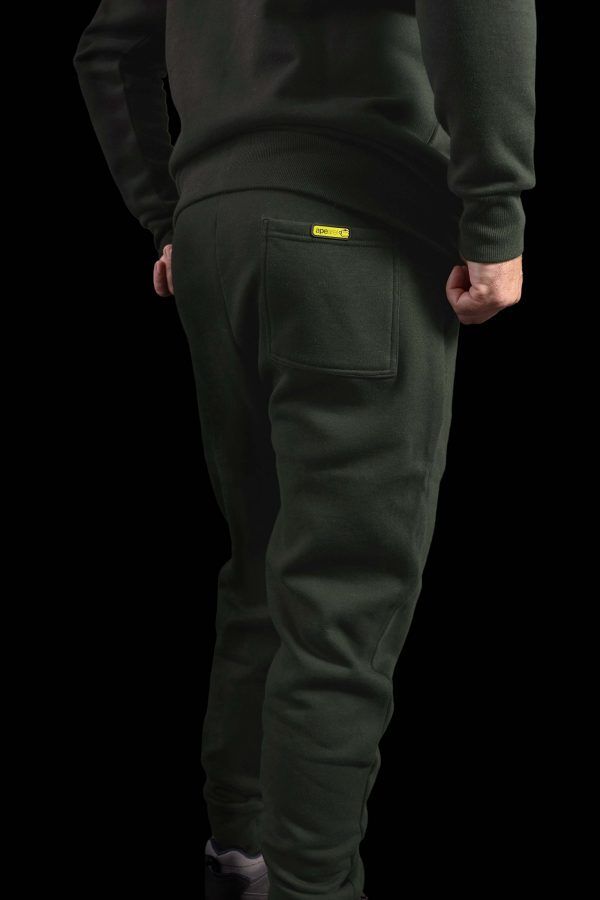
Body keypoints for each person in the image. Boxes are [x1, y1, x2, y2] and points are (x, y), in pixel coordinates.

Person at [73, 2, 537, 898]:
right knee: (340, 600)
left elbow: (108, 49)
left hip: (215, 237)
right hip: (352, 228)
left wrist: (168, 215)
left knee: (263, 565)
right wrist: (494, 212)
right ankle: (313, 886)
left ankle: (240, 854)